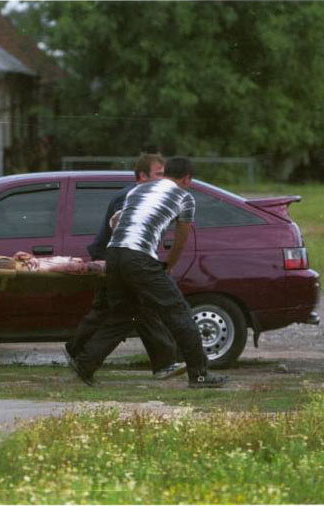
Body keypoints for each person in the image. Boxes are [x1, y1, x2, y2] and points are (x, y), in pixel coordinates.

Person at [70, 156, 227, 388]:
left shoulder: (138, 190)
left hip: (114, 253)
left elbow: (116, 220)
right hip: (139, 257)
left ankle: (85, 364)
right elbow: (181, 239)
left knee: (124, 314)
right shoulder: (185, 197)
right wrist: (168, 265)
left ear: (166, 173)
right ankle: (200, 375)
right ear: (186, 179)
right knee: (179, 312)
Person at [65, 153, 185, 379]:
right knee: (138, 310)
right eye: (159, 175)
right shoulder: (132, 196)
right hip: (117, 259)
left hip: (122, 260)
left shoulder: (147, 195)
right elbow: (126, 234)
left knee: (118, 311)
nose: (164, 180)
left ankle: (80, 354)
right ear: (142, 176)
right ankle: (163, 363)